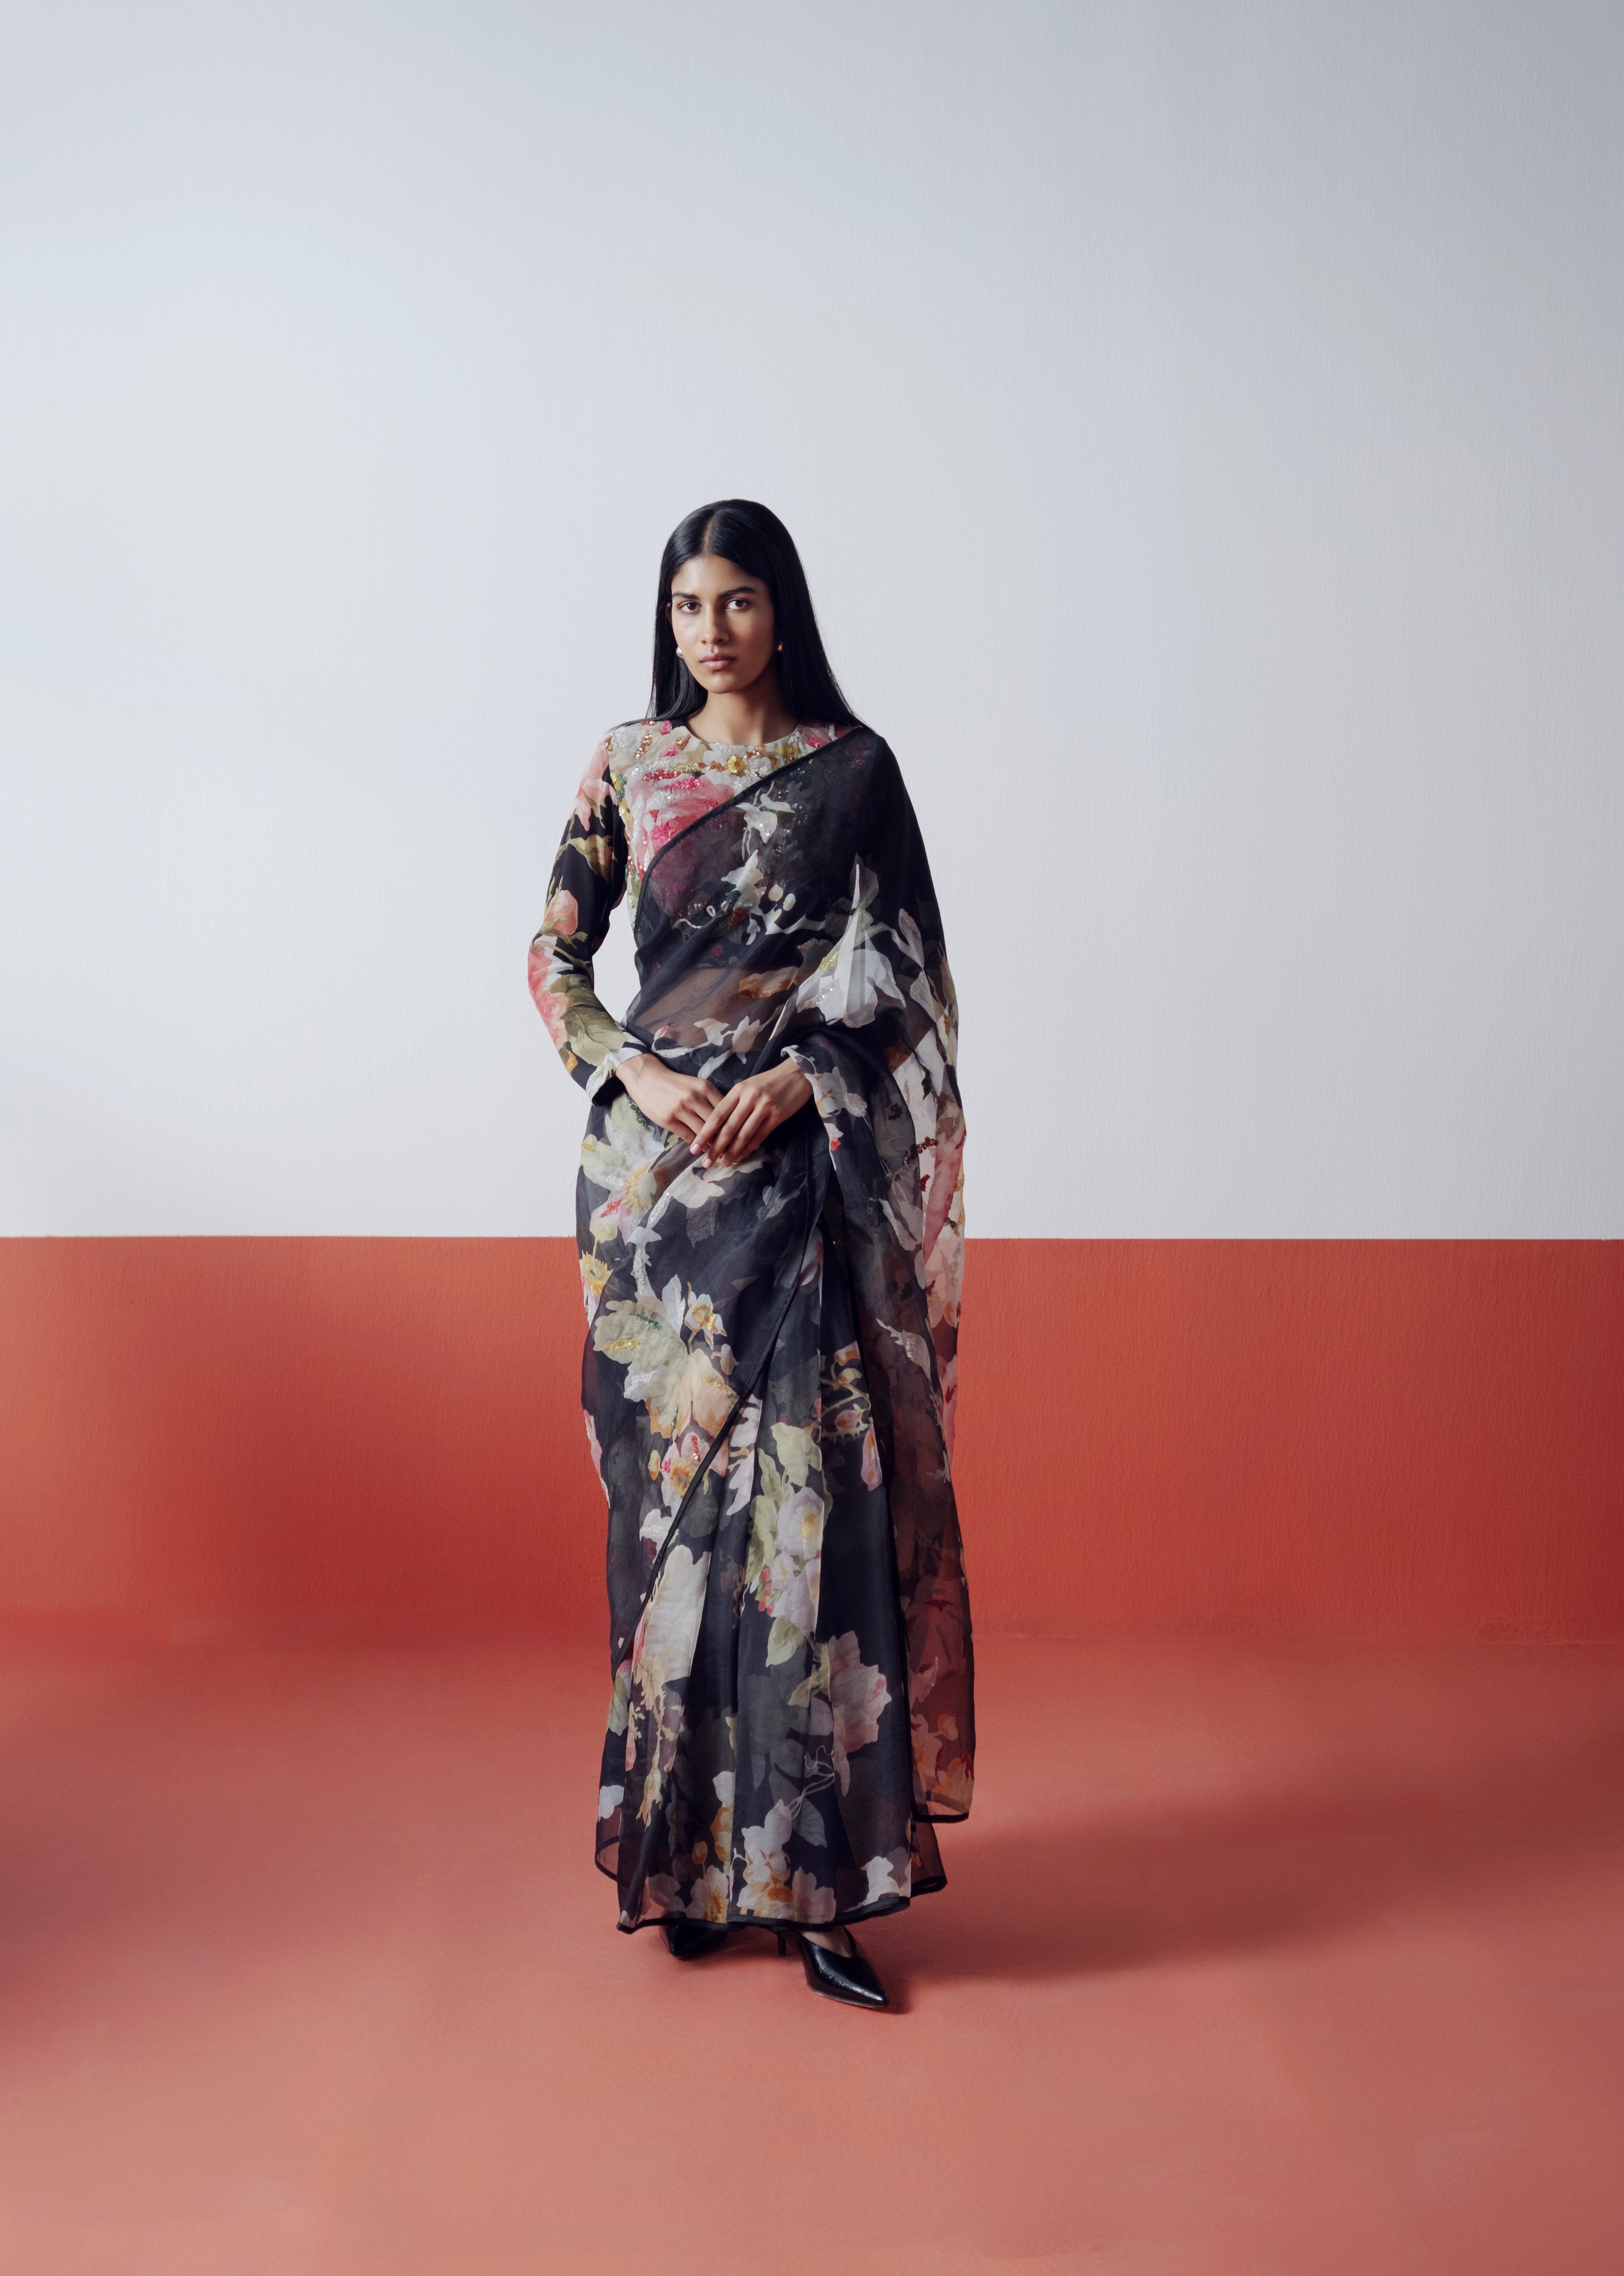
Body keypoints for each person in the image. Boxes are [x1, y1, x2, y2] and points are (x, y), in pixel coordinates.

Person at [527, 499, 975, 2010]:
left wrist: (797, 1081)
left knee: (810, 1534)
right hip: (656, 1202)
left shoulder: (855, 773)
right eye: (687, 605)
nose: (709, 631)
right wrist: (639, 1076)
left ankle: (822, 1893)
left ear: (784, 611)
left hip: (803, 1187)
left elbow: (905, 977)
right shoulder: (630, 767)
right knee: (675, 1540)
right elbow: (553, 954)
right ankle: (697, 1868)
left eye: (736, 600)